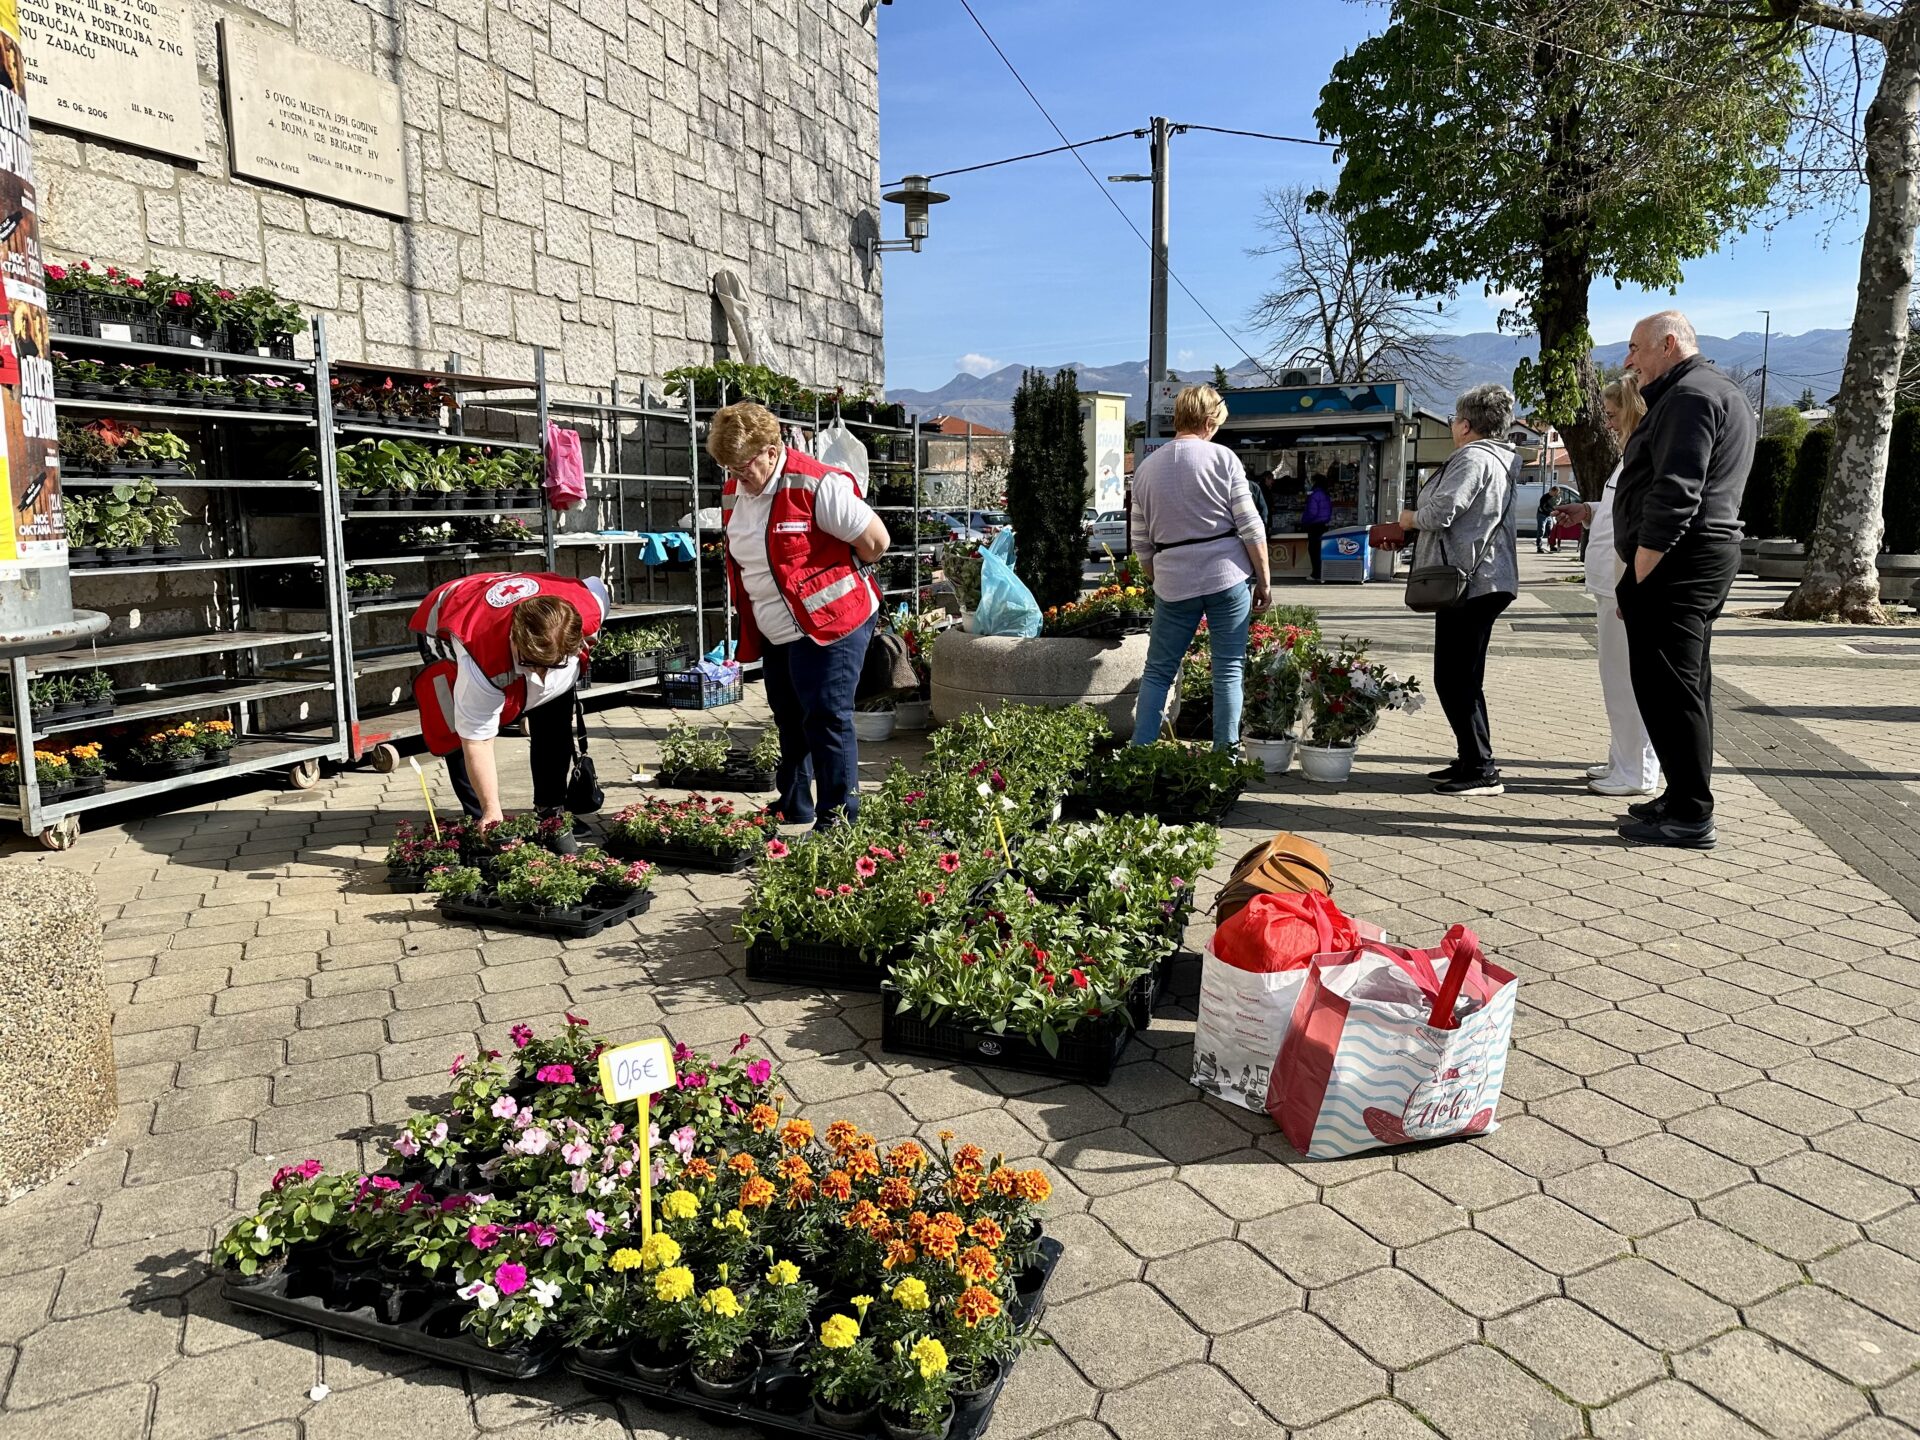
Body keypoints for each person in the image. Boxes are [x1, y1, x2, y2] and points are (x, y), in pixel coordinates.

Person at [1612, 310, 1754, 849]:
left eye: (1635, 348)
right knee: (1683, 685)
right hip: (1696, 558)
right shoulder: (1711, 390)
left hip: (1679, 561)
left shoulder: (1690, 395)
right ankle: (1681, 797)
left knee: (1670, 690)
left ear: (1668, 344)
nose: (1629, 360)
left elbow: (1676, 490)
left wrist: (1640, 569)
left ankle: (1692, 813)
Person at [711, 401, 890, 827]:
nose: (736, 477)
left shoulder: (816, 484)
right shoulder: (737, 490)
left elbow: (876, 543)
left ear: (771, 452)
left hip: (831, 624)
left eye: (742, 467)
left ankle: (838, 819)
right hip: (777, 626)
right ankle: (795, 803)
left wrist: (826, 577)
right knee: (789, 716)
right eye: (728, 469)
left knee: (827, 717)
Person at [409, 571, 609, 840]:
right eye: (531, 664)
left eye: (551, 665)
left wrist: (546, 678)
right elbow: (477, 741)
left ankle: (550, 811)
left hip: (520, 605)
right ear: (515, 640)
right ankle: (483, 819)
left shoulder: (591, 602)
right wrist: (491, 808)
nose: (541, 675)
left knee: (554, 721)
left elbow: (596, 586)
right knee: (456, 728)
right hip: (452, 618)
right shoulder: (476, 654)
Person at [1129, 384, 1272, 751]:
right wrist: (1264, 582)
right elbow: (1251, 526)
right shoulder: (1223, 459)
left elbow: (1141, 543)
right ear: (1209, 421)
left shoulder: (1146, 469)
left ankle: (1139, 755)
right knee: (1228, 669)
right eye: (1218, 423)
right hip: (1227, 576)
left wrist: (1160, 578)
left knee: (1158, 671)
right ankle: (1225, 758)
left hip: (1173, 579)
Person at [1397, 384, 1521, 796]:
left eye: (1454, 420)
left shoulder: (1473, 457)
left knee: (1454, 678)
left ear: (1466, 425)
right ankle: (1471, 757)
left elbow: (1442, 511)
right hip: (1485, 578)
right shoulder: (1500, 458)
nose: (1452, 426)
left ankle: (1482, 768)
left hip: (1470, 581)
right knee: (1462, 675)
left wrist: (1408, 519)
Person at [1555, 377, 1660, 798]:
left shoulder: (1644, 454)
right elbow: (1619, 509)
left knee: (1626, 680)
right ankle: (1623, 759)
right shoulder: (1629, 455)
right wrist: (1588, 510)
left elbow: (1642, 521)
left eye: (1614, 414)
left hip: (1623, 584)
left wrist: (1630, 585)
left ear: (1632, 409)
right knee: (1615, 677)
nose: (1609, 422)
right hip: (1610, 584)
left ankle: (1636, 771)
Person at [1302, 475, 1333, 581]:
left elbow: (1312, 512)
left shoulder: (1314, 494)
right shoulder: (1325, 494)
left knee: (1313, 550)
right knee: (1320, 550)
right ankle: (1322, 573)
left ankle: (1316, 574)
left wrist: (1304, 521)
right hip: (1323, 525)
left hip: (1314, 525)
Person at [1535, 486, 1558, 554]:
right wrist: (1550, 512)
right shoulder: (1544, 497)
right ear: (1552, 491)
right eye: (1555, 493)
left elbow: (1554, 506)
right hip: (1542, 515)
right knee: (1541, 530)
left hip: (1549, 516)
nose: (1555, 494)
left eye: (1556, 493)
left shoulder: (1554, 498)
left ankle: (1552, 546)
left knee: (1550, 531)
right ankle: (1539, 547)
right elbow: (1543, 507)